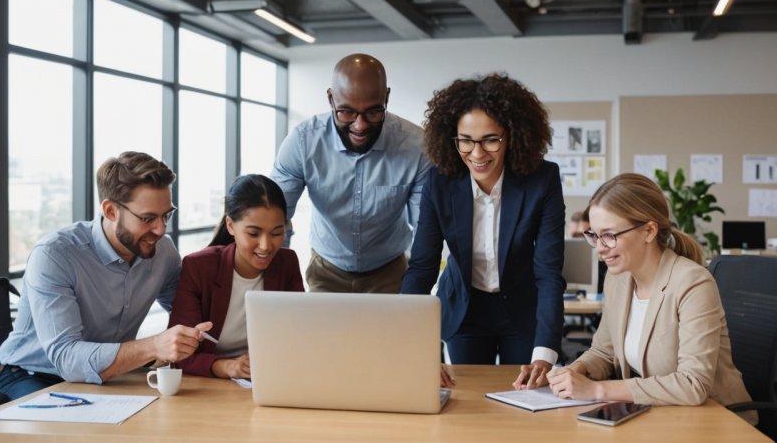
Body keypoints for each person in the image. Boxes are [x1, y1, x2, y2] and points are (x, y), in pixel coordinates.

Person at [514, 173, 756, 425]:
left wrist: (597, 390)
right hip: (660, 416)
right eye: (594, 235)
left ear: (649, 231)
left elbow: (692, 384)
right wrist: (573, 371)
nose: (600, 248)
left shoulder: (693, 283)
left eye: (609, 235)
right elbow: (604, 352)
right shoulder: (619, 279)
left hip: (716, 421)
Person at [0, 152, 210, 400]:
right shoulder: (56, 255)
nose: (161, 229)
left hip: (113, 376)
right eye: (148, 218)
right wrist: (154, 346)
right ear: (110, 210)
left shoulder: (164, 252)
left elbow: (189, 312)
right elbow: (67, 358)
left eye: (166, 215)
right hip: (34, 377)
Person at [401, 73, 566, 381]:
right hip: (465, 310)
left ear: (512, 136)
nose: (477, 154)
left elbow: (548, 272)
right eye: (466, 140)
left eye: (490, 139)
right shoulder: (439, 182)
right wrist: (415, 346)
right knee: (467, 402)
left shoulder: (542, 181)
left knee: (526, 398)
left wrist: (545, 352)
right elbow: (422, 267)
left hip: (522, 309)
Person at [272, 53, 431, 293]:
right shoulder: (303, 142)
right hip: (326, 270)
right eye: (346, 112)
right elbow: (275, 216)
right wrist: (277, 279)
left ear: (386, 97)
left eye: (373, 112)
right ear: (330, 99)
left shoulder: (417, 146)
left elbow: (424, 228)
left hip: (390, 272)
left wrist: (416, 291)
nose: (360, 125)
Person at [168, 174, 304, 379]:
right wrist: (229, 367)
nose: (266, 245)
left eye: (276, 233)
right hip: (208, 386)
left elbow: (299, 335)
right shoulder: (199, 267)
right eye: (253, 233)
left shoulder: (287, 263)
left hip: (267, 379)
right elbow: (178, 353)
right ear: (230, 225)